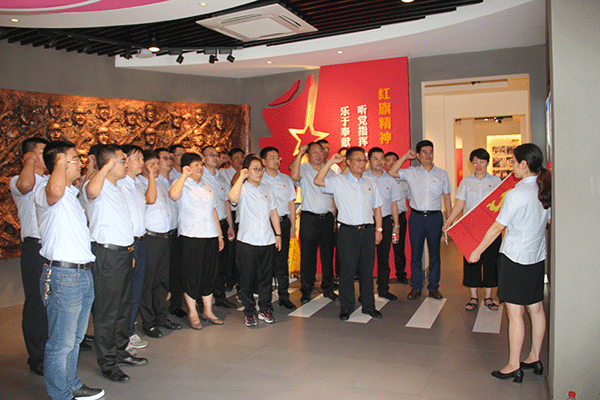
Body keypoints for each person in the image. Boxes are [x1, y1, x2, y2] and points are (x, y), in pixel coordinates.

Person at [469, 143, 551, 383]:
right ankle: (534, 357)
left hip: (515, 258)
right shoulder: (544, 189)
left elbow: (497, 227)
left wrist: (477, 251)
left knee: (515, 314)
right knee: (536, 309)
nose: (511, 165)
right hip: (536, 256)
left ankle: (514, 365)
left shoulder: (517, 193)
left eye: (514, 162)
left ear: (524, 164)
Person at [35, 140, 104, 400]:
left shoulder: (72, 195)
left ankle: (71, 384)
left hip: (82, 274)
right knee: (60, 342)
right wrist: (60, 161)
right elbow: (54, 189)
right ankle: (60, 395)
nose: (79, 163)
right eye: (74, 159)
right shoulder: (45, 190)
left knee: (74, 338)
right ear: (59, 163)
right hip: (63, 276)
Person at [83, 144, 148, 383]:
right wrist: (104, 167)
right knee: (107, 311)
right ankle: (108, 362)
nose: (126, 163)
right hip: (107, 255)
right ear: (110, 164)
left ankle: (120, 350)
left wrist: (130, 251)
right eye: (122, 160)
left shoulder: (117, 186)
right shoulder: (96, 184)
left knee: (123, 307)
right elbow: (90, 191)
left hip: (123, 253)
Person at [314, 147, 383, 321]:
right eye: (358, 160)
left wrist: (379, 230)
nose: (362, 163)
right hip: (347, 232)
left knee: (367, 271)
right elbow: (318, 180)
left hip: (367, 231)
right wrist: (330, 162)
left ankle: (368, 306)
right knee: (347, 271)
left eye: (364, 160)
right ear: (349, 162)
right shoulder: (338, 181)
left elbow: (377, 208)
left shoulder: (371, 182)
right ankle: (346, 307)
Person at [389, 140, 452, 300]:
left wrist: (450, 219)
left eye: (431, 151)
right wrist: (405, 156)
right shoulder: (411, 172)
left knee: (435, 254)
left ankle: (434, 287)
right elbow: (392, 172)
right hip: (416, 217)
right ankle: (416, 287)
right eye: (424, 152)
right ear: (418, 155)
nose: (428, 155)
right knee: (416, 253)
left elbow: (447, 197)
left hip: (435, 217)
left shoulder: (442, 174)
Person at [169, 152, 225, 329]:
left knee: (209, 274)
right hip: (191, 235)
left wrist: (220, 234)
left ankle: (208, 311)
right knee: (191, 274)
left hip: (210, 235)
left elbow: (214, 210)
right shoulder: (180, 183)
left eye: (201, 164)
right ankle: (193, 312)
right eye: (196, 165)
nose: (200, 168)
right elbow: (173, 195)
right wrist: (184, 175)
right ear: (186, 168)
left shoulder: (206, 184)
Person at [443, 148, 502, 311]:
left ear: (487, 163)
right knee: (471, 262)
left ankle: (489, 297)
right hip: (471, 228)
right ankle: (474, 297)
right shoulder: (466, 182)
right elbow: (460, 204)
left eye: (482, 162)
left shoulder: (496, 181)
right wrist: (449, 220)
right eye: (475, 162)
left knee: (491, 261)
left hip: (491, 228)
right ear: (471, 164)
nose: (478, 165)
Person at [10, 137, 49, 376]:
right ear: (30, 155)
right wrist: (29, 163)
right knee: (37, 303)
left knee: (54, 302)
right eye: (43, 152)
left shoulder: (49, 180)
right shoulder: (20, 180)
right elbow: (25, 186)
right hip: (35, 248)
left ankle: (51, 347)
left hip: (54, 248)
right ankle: (37, 356)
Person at [229, 155, 282, 327]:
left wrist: (278, 234)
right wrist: (241, 177)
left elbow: (273, 212)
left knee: (266, 278)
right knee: (247, 279)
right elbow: (232, 198)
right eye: (255, 169)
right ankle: (249, 311)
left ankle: (265, 309)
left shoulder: (267, 188)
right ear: (246, 170)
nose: (259, 172)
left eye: (260, 169)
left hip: (267, 240)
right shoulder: (242, 188)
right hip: (247, 241)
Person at [137, 150, 182, 337]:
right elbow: (150, 200)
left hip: (165, 237)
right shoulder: (139, 183)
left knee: (162, 281)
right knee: (148, 282)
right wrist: (150, 177)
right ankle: (148, 322)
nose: (155, 167)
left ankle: (161, 317)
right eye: (152, 164)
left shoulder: (162, 182)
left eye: (157, 164)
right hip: (150, 238)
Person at [290, 142, 337, 304]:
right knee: (307, 257)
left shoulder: (330, 172)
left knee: (327, 256)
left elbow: (334, 197)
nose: (318, 154)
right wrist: (299, 154)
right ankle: (306, 290)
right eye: (314, 152)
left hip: (327, 218)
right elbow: (294, 177)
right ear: (308, 155)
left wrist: (334, 218)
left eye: (320, 151)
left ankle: (328, 288)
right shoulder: (303, 169)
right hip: (309, 218)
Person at [119, 145, 150, 353]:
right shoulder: (119, 185)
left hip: (141, 241)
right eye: (137, 158)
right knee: (125, 293)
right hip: (128, 244)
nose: (141, 162)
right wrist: (128, 247)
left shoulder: (137, 184)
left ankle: (129, 331)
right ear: (125, 161)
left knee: (137, 290)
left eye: (142, 158)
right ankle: (122, 336)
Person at [260, 146, 297, 309]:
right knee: (265, 263)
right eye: (272, 157)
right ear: (263, 161)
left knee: (282, 262)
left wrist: (293, 226)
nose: (276, 160)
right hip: (265, 223)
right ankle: (265, 299)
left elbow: (291, 204)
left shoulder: (286, 179)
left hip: (283, 223)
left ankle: (284, 296)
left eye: (277, 157)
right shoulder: (259, 179)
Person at [200, 145, 237, 309]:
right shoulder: (200, 177)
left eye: (217, 155)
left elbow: (226, 202)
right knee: (207, 265)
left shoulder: (221, 177)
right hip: (207, 226)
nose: (215, 157)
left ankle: (220, 297)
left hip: (222, 224)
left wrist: (230, 224)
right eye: (211, 155)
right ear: (202, 158)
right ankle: (202, 300)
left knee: (221, 265)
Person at [365, 147, 402, 300]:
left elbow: (394, 204)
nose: (379, 161)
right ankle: (365, 292)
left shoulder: (390, 180)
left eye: (382, 158)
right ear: (369, 160)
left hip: (385, 221)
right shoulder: (363, 178)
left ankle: (383, 289)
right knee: (366, 259)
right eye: (375, 158)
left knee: (383, 257)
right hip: (367, 221)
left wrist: (396, 226)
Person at [384, 151, 410, 285]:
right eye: (388, 160)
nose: (391, 162)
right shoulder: (379, 179)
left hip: (399, 218)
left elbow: (410, 198)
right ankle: (383, 277)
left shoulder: (403, 180)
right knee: (383, 249)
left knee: (399, 247)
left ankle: (401, 274)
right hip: (384, 219)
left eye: (394, 160)